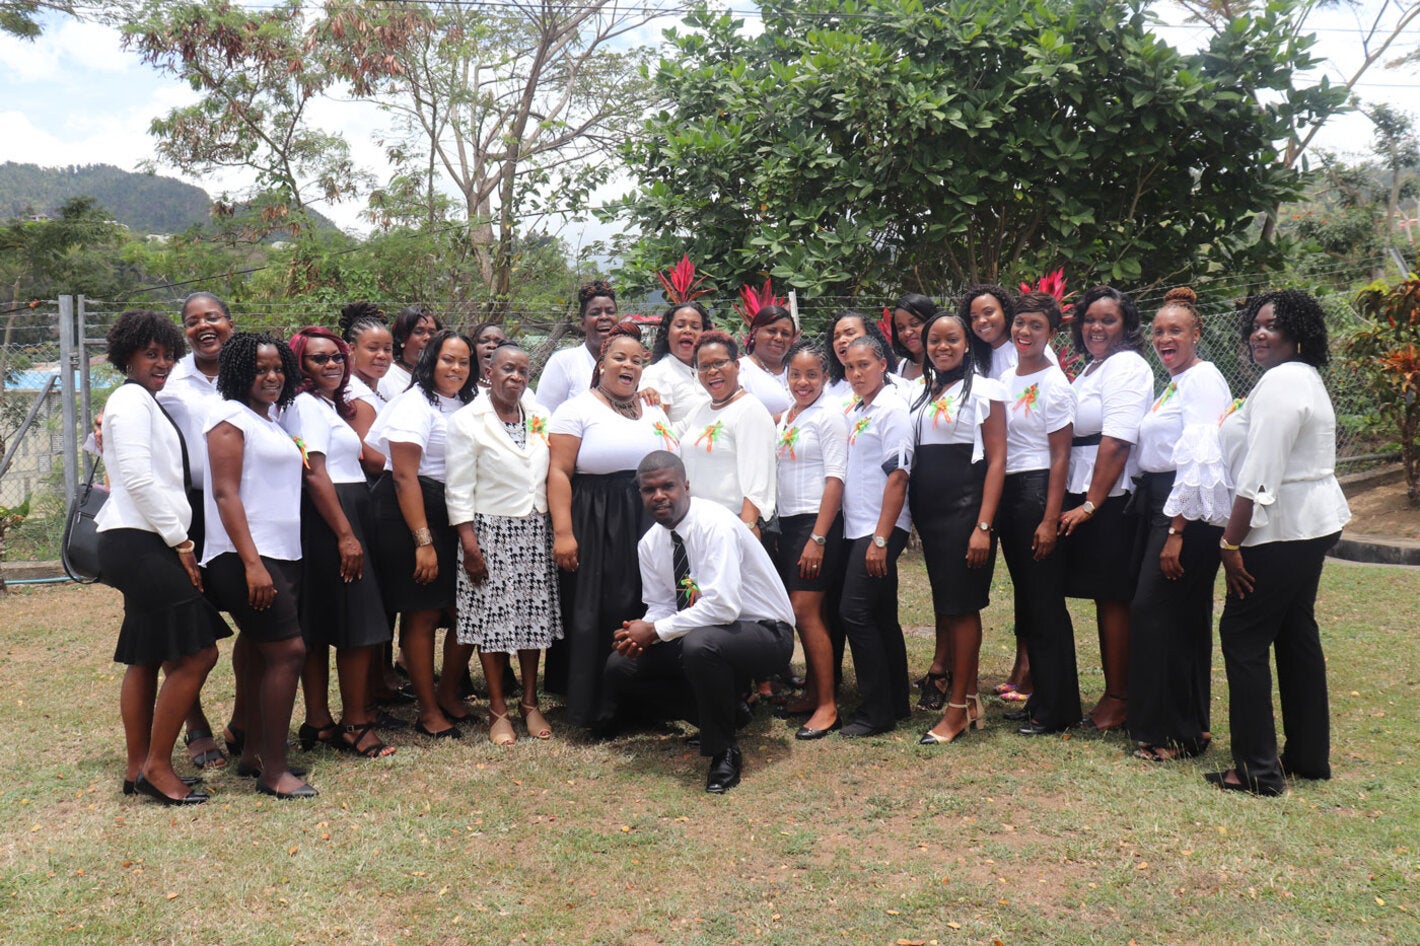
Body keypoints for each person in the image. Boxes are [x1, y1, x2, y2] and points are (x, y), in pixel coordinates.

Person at [1209, 290, 1351, 796]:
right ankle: (1308, 757)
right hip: (1309, 521)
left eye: (1273, 326)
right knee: (1294, 631)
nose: (1260, 333)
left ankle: (1257, 769)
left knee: (1243, 637)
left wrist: (1230, 544)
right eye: (1256, 325)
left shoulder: (1283, 382)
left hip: (1282, 526)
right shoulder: (1302, 377)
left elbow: (1260, 474)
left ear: (1297, 334)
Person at [598, 452, 795, 794]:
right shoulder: (651, 543)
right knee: (621, 665)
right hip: (713, 633)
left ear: (686, 486)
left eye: (668, 486)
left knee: (700, 644)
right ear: (640, 494)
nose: (659, 496)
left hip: (766, 634)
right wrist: (640, 632)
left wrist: (656, 631)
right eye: (649, 490)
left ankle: (723, 750)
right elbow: (661, 605)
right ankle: (726, 717)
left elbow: (725, 608)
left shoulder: (714, 524)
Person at [97, 309, 230, 805]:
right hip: (141, 539)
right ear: (126, 356)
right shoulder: (131, 399)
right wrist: (181, 541)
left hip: (137, 538)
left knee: (146, 655)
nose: (161, 362)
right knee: (199, 652)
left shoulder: (145, 401)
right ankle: (156, 765)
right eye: (150, 354)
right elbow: (134, 478)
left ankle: (137, 768)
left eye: (167, 354)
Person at [545, 322, 680, 726]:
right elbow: (558, 473)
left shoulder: (653, 408)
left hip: (650, 519)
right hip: (598, 521)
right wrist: (564, 532)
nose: (629, 365)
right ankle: (600, 707)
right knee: (602, 610)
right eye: (619, 357)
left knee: (649, 604)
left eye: (637, 360)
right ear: (601, 363)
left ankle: (650, 703)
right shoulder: (576, 409)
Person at [201, 332, 315, 799]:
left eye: (277, 368)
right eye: (259, 369)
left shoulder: (267, 419)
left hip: (281, 553)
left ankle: (251, 751)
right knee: (288, 653)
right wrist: (252, 563)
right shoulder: (228, 417)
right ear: (237, 373)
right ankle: (274, 769)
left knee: (257, 648)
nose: (271, 377)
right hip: (245, 556)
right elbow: (226, 493)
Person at [1129, 288, 1233, 763]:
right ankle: (1189, 728)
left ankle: (1168, 733)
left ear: (1197, 333)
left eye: (1175, 330)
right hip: (1164, 501)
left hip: (1183, 509)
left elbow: (1201, 458)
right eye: (1158, 332)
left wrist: (1176, 531)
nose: (1164, 339)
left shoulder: (1203, 380)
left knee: (1154, 613)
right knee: (1183, 619)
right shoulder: (1175, 381)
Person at [281, 327, 395, 758]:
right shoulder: (307, 406)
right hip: (334, 514)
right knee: (356, 627)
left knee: (327, 622)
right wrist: (345, 534)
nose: (331, 364)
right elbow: (314, 471)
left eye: (336, 357)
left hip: (346, 509)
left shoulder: (327, 405)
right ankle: (354, 722)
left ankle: (319, 721)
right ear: (300, 365)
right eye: (318, 359)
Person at [446, 342, 563, 746]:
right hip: (489, 532)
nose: (515, 377)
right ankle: (498, 708)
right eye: (507, 369)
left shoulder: (541, 416)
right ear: (488, 372)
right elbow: (458, 488)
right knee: (493, 623)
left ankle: (530, 703)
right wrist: (469, 545)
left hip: (535, 528)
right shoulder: (467, 420)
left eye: (523, 371)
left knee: (532, 620)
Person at [365, 330, 479, 738]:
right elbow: (402, 475)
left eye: (464, 361)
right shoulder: (414, 403)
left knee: (465, 609)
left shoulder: (472, 401)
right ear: (431, 360)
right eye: (448, 359)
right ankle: (428, 709)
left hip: (456, 508)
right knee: (424, 611)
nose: (456, 368)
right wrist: (423, 542)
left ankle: (449, 693)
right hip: (410, 511)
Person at [1057, 285, 1154, 732]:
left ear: (1126, 325)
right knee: (1103, 596)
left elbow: (1116, 440)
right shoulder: (1093, 368)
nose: (1096, 327)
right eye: (1089, 319)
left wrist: (1093, 503)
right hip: (1084, 491)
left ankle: (1122, 697)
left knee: (1114, 598)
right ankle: (1115, 691)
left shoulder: (1127, 366)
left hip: (1110, 498)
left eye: (1107, 320)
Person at [910, 311, 1006, 744]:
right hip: (930, 514)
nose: (942, 347)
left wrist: (983, 525)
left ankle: (956, 710)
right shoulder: (921, 391)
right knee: (948, 606)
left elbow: (998, 459)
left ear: (967, 343)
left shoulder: (986, 389)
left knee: (963, 607)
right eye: (934, 340)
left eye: (951, 339)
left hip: (966, 511)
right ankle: (967, 700)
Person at [155, 290, 236, 768]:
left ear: (230, 322)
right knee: (184, 622)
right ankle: (196, 726)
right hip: (189, 511)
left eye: (213, 318)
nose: (204, 326)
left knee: (260, 615)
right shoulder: (170, 381)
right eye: (192, 321)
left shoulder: (252, 371)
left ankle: (243, 722)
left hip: (246, 510)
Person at [963, 284, 1054, 702]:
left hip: (1027, 476)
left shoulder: (1031, 358)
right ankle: (1025, 664)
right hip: (998, 476)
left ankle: (1031, 666)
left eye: (991, 313)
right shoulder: (985, 360)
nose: (983, 322)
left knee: (1031, 581)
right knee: (1018, 576)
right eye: (975, 316)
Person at [996, 292, 1080, 735]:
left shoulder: (1055, 384)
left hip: (1037, 492)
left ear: (1051, 333)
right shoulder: (1008, 377)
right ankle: (1039, 701)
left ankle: (1058, 709)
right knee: (1029, 602)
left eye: (1036, 326)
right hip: (1008, 492)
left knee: (1046, 604)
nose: (1024, 332)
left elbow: (1061, 456)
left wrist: (1050, 518)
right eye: (1020, 324)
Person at [837, 334, 914, 737]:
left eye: (863, 365)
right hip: (858, 526)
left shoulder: (892, 410)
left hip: (879, 527)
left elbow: (899, 475)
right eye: (849, 367)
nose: (855, 373)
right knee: (882, 615)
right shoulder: (856, 409)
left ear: (882, 364)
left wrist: (881, 539)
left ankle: (876, 711)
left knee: (854, 612)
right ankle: (896, 702)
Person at [771, 342, 847, 738]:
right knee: (802, 611)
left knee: (806, 611)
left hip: (817, 524)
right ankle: (816, 691)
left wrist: (818, 536)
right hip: (789, 523)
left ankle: (828, 705)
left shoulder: (829, 416)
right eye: (795, 375)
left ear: (825, 377)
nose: (803, 382)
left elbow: (836, 478)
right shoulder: (789, 417)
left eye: (811, 375)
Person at [681, 331, 778, 533]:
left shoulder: (749, 409)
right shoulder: (701, 410)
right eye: (704, 366)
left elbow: (757, 476)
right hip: (701, 523)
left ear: (736, 365)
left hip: (735, 523)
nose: (712, 371)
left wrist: (749, 525)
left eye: (719, 363)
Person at [536, 281, 620, 412]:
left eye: (610, 311)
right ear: (582, 323)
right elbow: (542, 416)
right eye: (595, 312)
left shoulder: (627, 364)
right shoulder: (563, 362)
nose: (604, 317)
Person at [963, 284, 1058, 382]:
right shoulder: (976, 358)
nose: (981, 321)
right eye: (974, 317)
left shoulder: (1033, 348)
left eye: (988, 312)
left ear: (1005, 311)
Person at [640, 301, 713, 425]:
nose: (688, 331)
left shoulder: (710, 373)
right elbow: (654, 427)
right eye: (680, 325)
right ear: (667, 333)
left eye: (695, 327)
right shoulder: (656, 373)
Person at [738, 304, 798, 416]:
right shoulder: (740, 371)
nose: (778, 338)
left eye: (785, 334)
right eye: (771, 331)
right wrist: (787, 418)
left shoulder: (798, 369)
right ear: (755, 332)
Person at [379, 305, 441, 402]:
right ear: (402, 337)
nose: (427, 338)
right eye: (418, 332)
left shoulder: (442, 377)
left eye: (432, 333)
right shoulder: (386, 377)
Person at [889, 293, 935, 383]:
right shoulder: (901, 367)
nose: (907, 333)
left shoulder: (943, 366)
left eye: (915, 324)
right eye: (901, 328)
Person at [469, 320, 508, 386]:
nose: (492, 345)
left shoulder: (522, 392)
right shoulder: (459, 389)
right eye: (484, 341)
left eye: (498, 342)